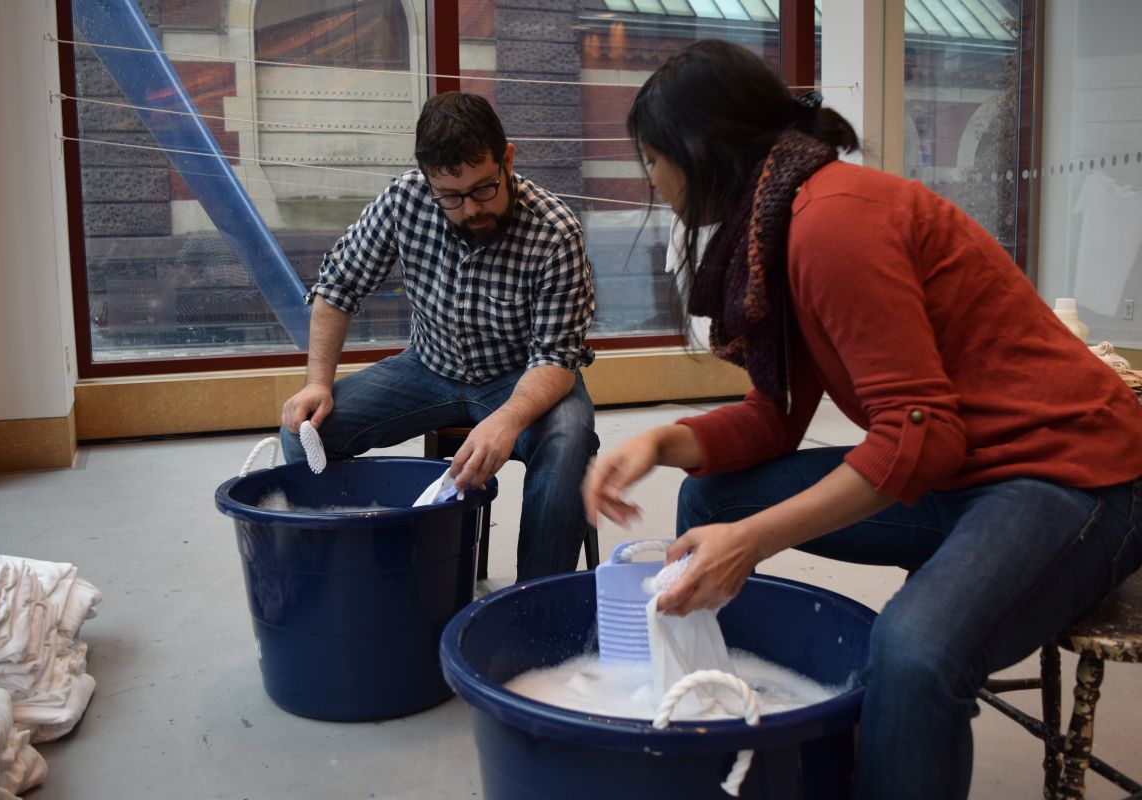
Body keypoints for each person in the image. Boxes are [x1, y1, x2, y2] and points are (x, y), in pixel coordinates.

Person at [582, 39, 1142, 800]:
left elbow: (918, 434)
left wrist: (749, 544)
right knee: (714, 497)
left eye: (653, 158)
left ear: (701, 151)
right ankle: (730, 706)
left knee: (913, 653)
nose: (651, 179)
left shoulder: (831, 221)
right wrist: (662, 440)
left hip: (1072, 480)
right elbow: (776, 421)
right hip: (962, 471)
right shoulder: (777, 225)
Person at [282, 91, 598, 582]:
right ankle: (346, 580)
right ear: (429, 181)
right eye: (450, 197)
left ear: (507, 159)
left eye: (483, 189)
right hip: (428, 369)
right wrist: (317, 382)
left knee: (568, 441)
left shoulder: (555, 233)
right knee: (304, 434)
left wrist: (507, 420)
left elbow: (556, 359)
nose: (470, 209)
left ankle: (535, 606)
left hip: (523, 377)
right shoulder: (404, 199)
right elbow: (336, 287)